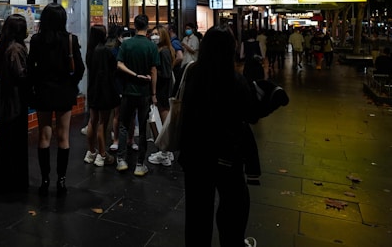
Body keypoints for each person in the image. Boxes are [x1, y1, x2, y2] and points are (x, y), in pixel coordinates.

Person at [179, 25, 288, 246]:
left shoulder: (191, 73)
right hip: (226, 156)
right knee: (234, 206)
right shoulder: (235, 80)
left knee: (197, 211)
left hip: (195, 155)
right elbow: (251, 115)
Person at [28, 3, 85, 196]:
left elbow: (30, 68)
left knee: (44, 136)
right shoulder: (70, 39)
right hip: (64, 92)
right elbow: (80, 68)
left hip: (43, 92)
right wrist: (70, 83)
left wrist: (37, 82)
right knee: (63, 136)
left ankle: (45, 180)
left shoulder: (36, 40)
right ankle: (61, 181)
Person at [0, 14, 31, 194]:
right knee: (15, 141)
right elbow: (21, 75)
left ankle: (3, 179)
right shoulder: (15, 49)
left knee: (5, 141)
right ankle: (14, 181)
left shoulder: (3, 46)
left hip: (4, 99)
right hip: (14, 100)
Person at [115, 14, 160, 176]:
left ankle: (121, 160)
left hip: (128, 91)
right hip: (144, 93)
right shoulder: (151, 46)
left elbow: (119, 64)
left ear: (135, 26)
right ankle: (140, 164)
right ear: (147, 27)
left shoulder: (127, 45)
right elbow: (154, 71)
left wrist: (134, 75)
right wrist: (154, 93)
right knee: (142, 128)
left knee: (123, 126)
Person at [83, 24, 119, 167]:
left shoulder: (90, 51)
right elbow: (113, 68)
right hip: (104, 90)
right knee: (103, 124)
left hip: (92, 89)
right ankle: (102, 154)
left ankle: (91, 152)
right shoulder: (105, 51)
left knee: (93, 121)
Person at [147, 25, 175, 167]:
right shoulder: (164, 51)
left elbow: (165, 73)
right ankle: (167, 151)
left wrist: (154, 70)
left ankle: (164, 153)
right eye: (152, 33)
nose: (154, 36)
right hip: (164, 90)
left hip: (162, 91)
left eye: (157, 34)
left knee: (164, 124)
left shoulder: (163, 52)